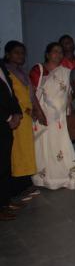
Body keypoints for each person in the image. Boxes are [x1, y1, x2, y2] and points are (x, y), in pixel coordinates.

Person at [30, 42, 75, 190]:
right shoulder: (38, 70)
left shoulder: (65, 72)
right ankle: (45, 178)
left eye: (60, 52)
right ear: (47, 54)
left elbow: (69, 95)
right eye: (54, 52)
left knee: (61, 146)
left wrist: (68, 110)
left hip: (60, 118)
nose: (58, 54)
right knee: (44, 147)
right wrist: (38, 112)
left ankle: (64, 177)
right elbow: (32, 93)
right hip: (43, 116)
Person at [4, 41, 41, 201]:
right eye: (16, 52)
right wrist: (24, 111)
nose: (20, 55)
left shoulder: (22, 73)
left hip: (26, 118)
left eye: (22, 53)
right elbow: (10, 97)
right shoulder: (6, 72)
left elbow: (30, 95)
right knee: (16, 152)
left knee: (25, 150)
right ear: (8, 54)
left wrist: (34, 110)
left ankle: (25, 183)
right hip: (15, 117)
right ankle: (18, 187)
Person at [0, 60, 23, 220]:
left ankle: (5, 202)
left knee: (4, 165)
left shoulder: (2, 67)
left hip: (7, 124)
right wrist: (8, 117)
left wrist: (16, 112)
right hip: (2, 120)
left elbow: (11, 93)